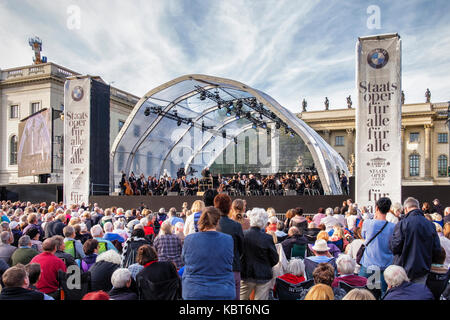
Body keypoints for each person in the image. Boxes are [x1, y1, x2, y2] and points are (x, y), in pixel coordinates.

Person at [182, 206, 235, 300]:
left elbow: (184, 260)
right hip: (223, 291)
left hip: (194, 291)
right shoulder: (228, 239)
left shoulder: (189, 239)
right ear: (218, 221)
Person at [390, 197, 441, 284]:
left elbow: (395, 247)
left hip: (402, 270)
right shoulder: (430, 225)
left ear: (406, 209)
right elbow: (436, 250)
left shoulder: (402, 224)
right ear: (418, 207)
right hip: (422, 270)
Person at [359, 197, 396, 295]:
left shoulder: (367, 223)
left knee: (363, 293)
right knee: (383, 293)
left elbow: (364, 236)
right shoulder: (393, 226)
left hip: (369, 263)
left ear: (376, 208)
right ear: (388, 210)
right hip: (386, 264)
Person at [240, 208, 279, 300]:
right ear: (265, 221)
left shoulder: (243, 235)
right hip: (263, 275)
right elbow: (275, 259)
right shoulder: (267, 238)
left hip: (246, 274)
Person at [214, 193, 244, 300]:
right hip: (233, 267)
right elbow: (241, 249)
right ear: (229, 207)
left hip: (215, 269)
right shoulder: (236, 226)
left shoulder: (212, 226)